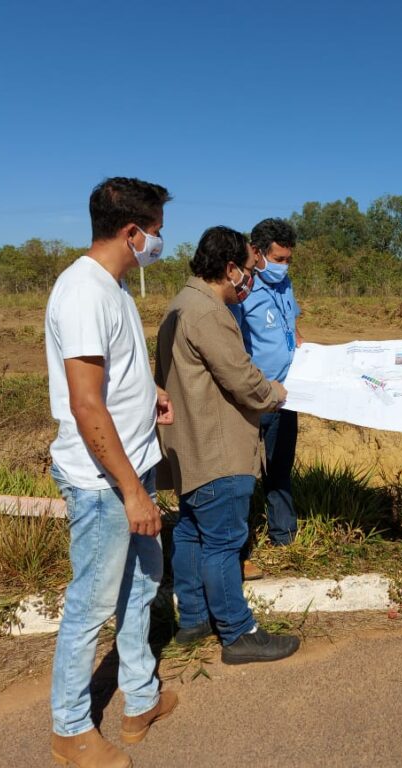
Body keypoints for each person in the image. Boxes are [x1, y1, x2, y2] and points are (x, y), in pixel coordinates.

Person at [45, 177, 178, 767]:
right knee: (91, 606)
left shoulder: (115, 289)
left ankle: (140, 698)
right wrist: (130, 492)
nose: (158, 243)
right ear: (132, 231)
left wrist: (150, 391)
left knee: (141, 588)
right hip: (105, 485)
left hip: (135, 466)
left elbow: (114, 374)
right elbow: (85, 403)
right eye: (155, 233)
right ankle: (71, 729)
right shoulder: (81, 293)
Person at [155, 225, 301, 664]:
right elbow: (240, 376)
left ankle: (194, 619)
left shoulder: (181, 304)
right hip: (217, 447)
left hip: (190, 445)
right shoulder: (209, 313)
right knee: (223, 542)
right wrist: (275, 393)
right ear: (231, 267)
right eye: (250, 269)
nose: (252, 280)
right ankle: (238, 634)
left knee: (191, 530)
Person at [230, 218, 302, 574]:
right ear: (256, 253)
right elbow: (231, 344)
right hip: (256, 397)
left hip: (288, 395)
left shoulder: (285, 283)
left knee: (280, 468)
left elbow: (292, 325)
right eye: (278, 258)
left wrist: (303, 347)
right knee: (244, 474)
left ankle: (284, 534)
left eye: (288, 259)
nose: (283, 266)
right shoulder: (240, 292)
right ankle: (238, 549)